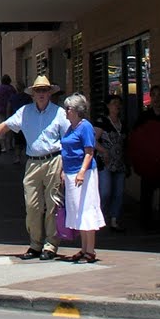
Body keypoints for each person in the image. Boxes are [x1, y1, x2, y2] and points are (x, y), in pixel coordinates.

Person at [0, 74, 68, 260]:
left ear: (50, 93)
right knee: (32, 205)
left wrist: (67, 167)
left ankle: (50, 245)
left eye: (44, 90)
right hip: (33, 162)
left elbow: (68, 140)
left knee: (52, 204)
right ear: (33, 94)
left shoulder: (59, 113)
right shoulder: (25, 112)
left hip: (54, 161)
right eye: (38, 91)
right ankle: (35, 244)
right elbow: (5, 125)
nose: (41, 94)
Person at [60, 93, 104, 263]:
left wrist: (81, 172)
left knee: (86, 209)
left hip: (83, 174)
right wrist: (64, 171)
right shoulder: (71, 127)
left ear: (77, 110)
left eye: (68, 109)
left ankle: (90, 250)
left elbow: (89, 152)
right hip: (71, 173)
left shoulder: (85, 127)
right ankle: (84, 248)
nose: (66, 111)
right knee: (78, 210)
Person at [131, 84, 160, 230]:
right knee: (146, 195)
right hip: (148, 164)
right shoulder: (144, 117)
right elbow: (136, 139)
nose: (156, 99)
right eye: (154, 95)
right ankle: (145, 223)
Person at [94, 94, 128, 233]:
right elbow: (93, 140)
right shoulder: (102, 121)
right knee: (105, 191)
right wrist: (104, 151)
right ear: (108, 105)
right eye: (114, 103)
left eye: (118, 103)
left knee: (119, 193)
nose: (117, 106)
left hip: (119, 162)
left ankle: (114, 220)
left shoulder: (122, 123)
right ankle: (99, 217)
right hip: (105, 162)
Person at [0, 74, 16, 154]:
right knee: (10, 127)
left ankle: (3, 146)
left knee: (1, 127)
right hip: (10, 110)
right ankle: (10, 145)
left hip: (0, 109)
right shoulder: (11, 88)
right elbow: (14, 96)